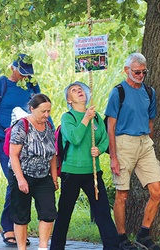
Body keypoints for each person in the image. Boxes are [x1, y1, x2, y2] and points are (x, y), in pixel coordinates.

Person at [105, 52, 160, 250]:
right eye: (136, 72)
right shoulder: (118, 92)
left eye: (143, 72)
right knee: (122, 194)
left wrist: (149, 142)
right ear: (126, 71)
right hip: (123, 143)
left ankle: (143, 234)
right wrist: (113, 157)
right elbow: (110, 126)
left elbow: (150, 121)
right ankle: (121, 238)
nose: (140, 75)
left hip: (144, 143)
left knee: (158, 191)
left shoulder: (149, 92)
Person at [50, 82, 120, 250]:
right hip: (72, 172)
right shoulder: (68, 117)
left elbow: (104, 139)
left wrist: (100, 149)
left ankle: (112, 247)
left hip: (93, 172)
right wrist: (86, 118)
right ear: (69, 99)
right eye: (74, 90)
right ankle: (57, 247)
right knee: (65, 213)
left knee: (102, 211)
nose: (79, 91)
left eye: (80, 89)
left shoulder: (96, 117)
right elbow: (74, 138)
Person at [0, 53, 40, 246]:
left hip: (28, 141)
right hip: (4, 140)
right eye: (22, 72)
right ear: (13, 68)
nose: (25, 77)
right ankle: (9, 227)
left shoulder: (32, 85)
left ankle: (17, 227)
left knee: (22, 184)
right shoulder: (1, 85)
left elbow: (42, 109)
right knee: (15, 181)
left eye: (28, 73)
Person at [9, 93, 58, 250]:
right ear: (32, 109)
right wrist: (20, 179)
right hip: (22, 173)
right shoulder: (22, 126)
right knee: (21, 214)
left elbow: (52, 154)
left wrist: (54, 178)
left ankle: (43, 246)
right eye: (43, 111)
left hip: (43, 176)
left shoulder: (49, 126)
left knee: (48, 212)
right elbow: (13, 155)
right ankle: (22, 247)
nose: (46, 115)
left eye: (48, 111)